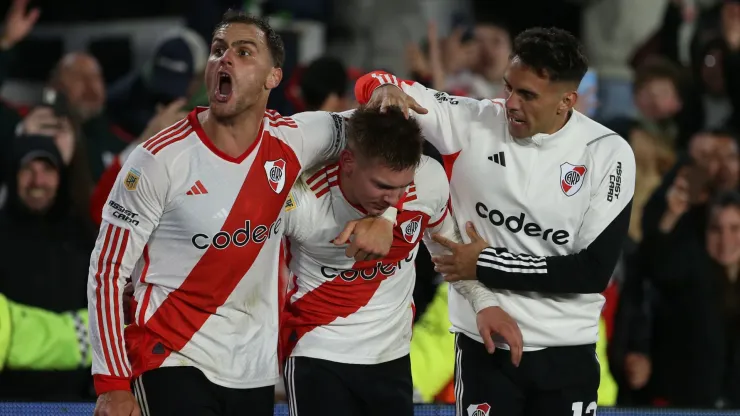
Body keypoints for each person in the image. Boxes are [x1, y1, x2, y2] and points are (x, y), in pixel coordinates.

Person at [89, 11, 396, 416]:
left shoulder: (296, 139)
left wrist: (386, 216)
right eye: (218, 51)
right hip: (170, 357)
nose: (225, 59)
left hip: (252, 370)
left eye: (243, 51)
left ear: (274, 77)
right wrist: (111, 383)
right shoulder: (158, 160)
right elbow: (108, 269)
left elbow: (388, 129)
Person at [355, 27, 636, 416]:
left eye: (528, 95)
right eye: (508, 88)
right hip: (483, 348)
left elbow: (592, 272)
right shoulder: (473, 123)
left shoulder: (607, 154)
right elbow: (379, 83)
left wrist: (485, 263)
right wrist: (381, 90)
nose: (511, 104)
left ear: (566, 101)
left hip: (566, 352)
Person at [280, 106, 472, 415]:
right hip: (318, 352)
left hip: (392, 357)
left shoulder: (428, 180)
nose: (394, 199)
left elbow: (449, 251)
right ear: (348, 163)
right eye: (382, 187)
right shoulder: (301, 202)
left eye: (402, 187)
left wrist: (486, 304)